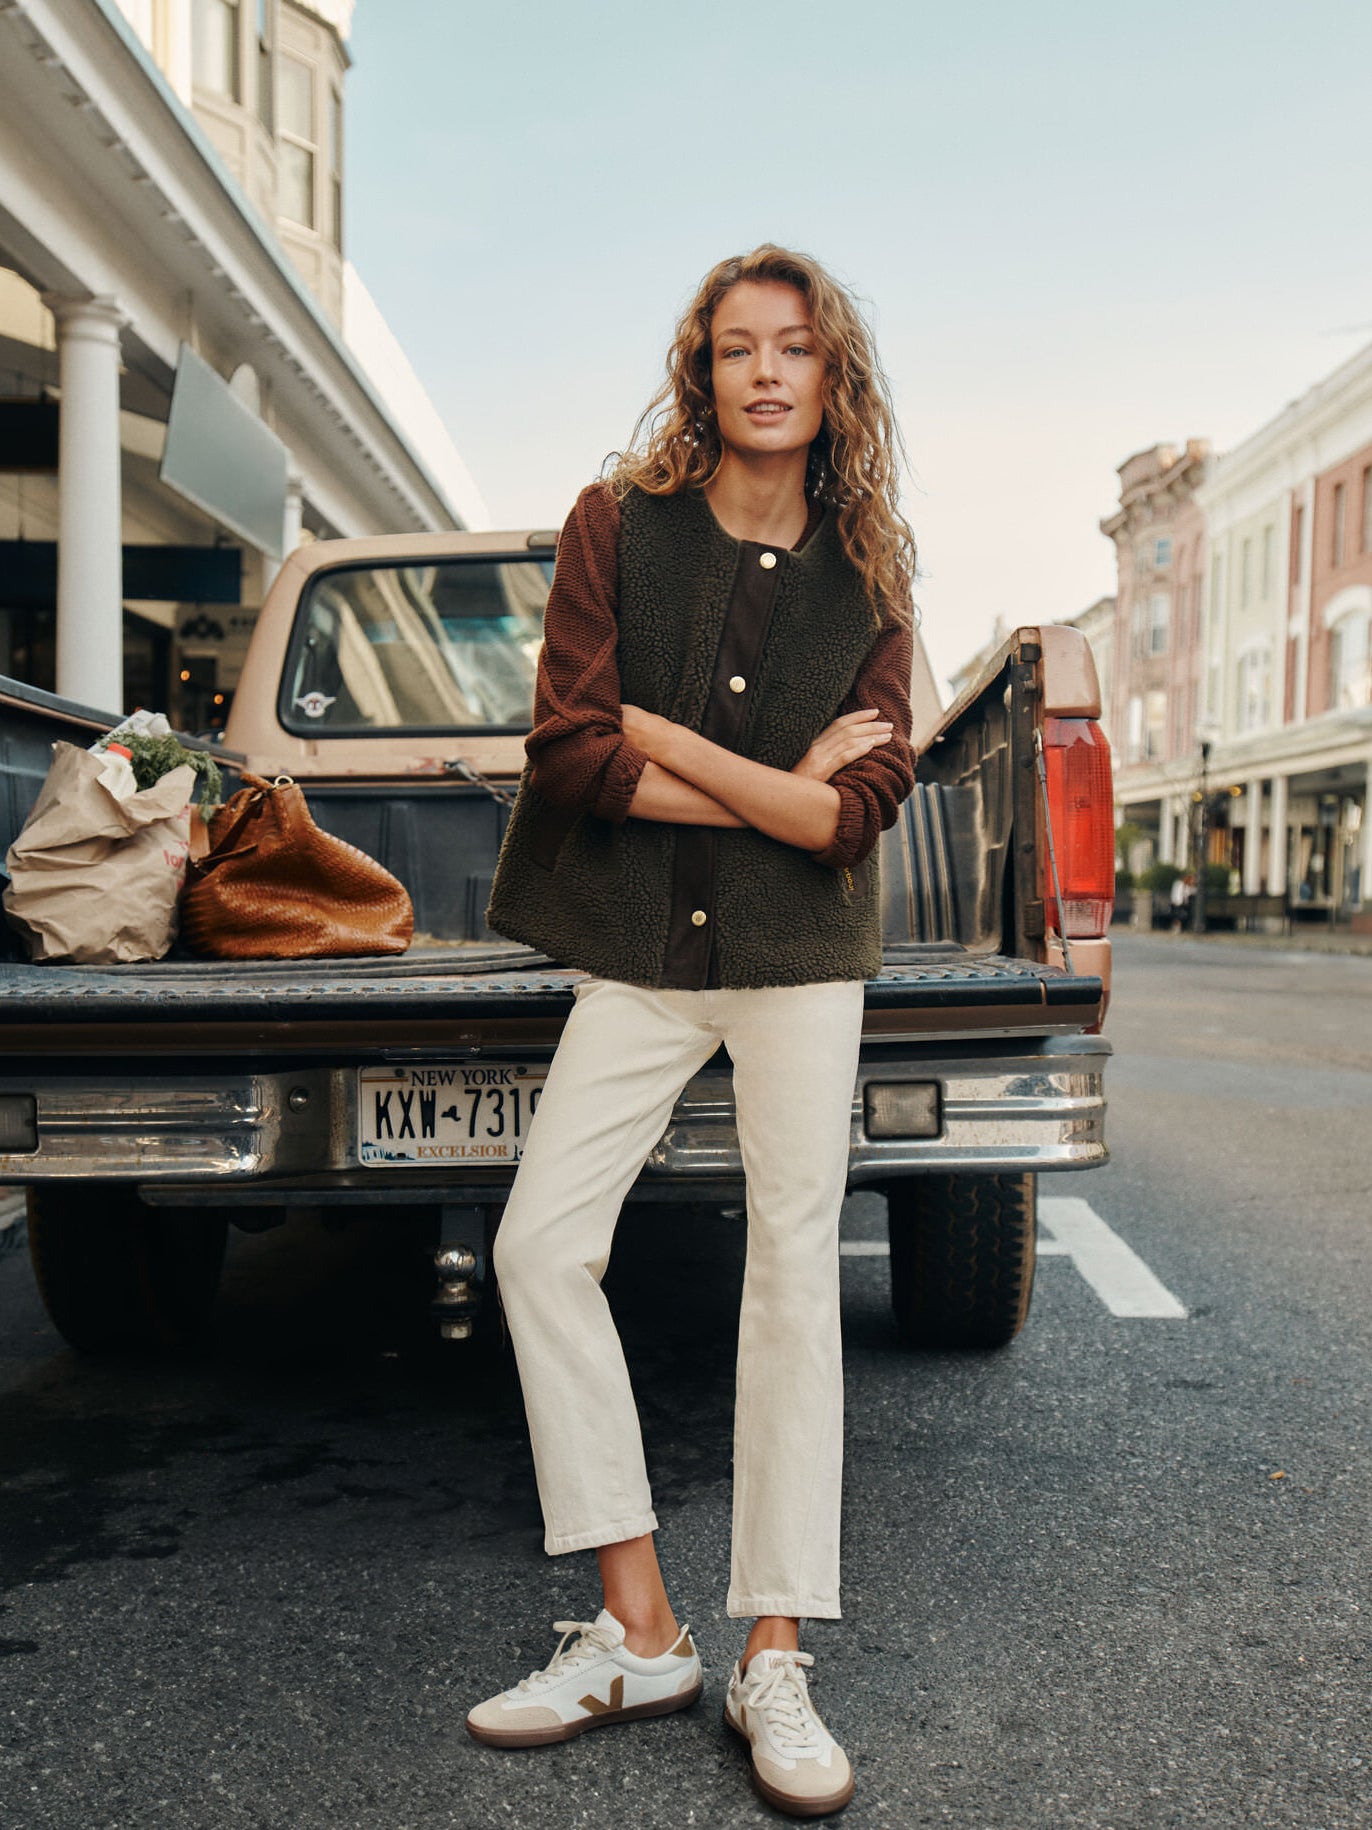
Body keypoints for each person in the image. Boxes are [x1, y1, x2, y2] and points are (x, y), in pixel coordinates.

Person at [468, 243, 918, 1818]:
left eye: (796, 347)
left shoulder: (872, 576)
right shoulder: (620, 525)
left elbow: (851, 817)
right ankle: (642, 1628)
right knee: (539, 1245)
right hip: (644, 948)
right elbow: (571, 754)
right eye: (738, 347)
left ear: (832, 375)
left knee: (794, 1272)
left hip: (801, 959)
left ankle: (774, 1650)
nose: (767, 372)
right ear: (702, 371)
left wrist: (681, 748)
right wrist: (768, 784)